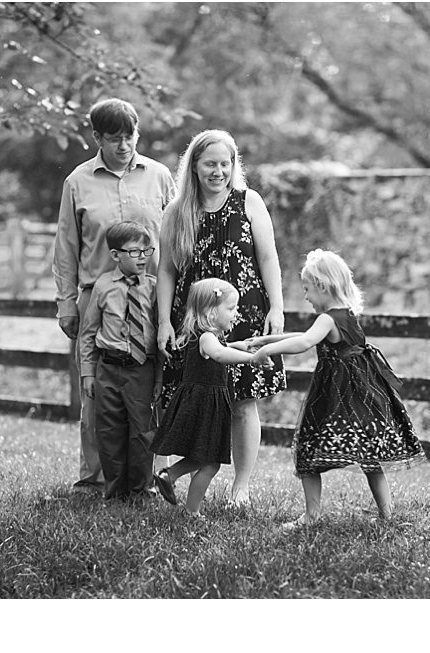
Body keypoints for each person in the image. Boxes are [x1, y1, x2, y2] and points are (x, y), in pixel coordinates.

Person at [247, 249, 425, 529]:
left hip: (337, 394)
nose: (305, 296)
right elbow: (309, 337)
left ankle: (311, 516)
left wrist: (267, 350)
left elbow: (305, 342)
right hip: (362, 394)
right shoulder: (347, 315)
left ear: (322, 285)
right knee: (369, 455)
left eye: (307, 289)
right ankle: (387, 514)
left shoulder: (328, 318)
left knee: (307, 450)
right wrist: (267, 339)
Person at [157, 129, 285, 509]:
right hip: (193, 324)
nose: (218, 171)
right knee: (194, 399)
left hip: (243, 318)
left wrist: (276, 307)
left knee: (244, 402)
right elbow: (166, 270)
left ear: (234, 166)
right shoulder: (176, 211)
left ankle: (240, 487)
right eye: (210, 164)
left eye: (225, 164)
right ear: (194, 166)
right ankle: (175, 472)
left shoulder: (249, 202)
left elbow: (268, 258)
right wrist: (165, 321)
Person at [53, 98, 175, 492]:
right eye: (114, 138)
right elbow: (66, 248)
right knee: (97, 394)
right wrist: (66, 303)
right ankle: (96, 479)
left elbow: (174, 240)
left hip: (151, 299)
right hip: (97, 299)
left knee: (151, 391)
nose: (124, 146)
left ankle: (147, 478)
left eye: (130, 136)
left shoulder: (158, 176)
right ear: (96, 137)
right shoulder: (78, 182)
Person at [149, 279, 265, 515]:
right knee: (210, 463)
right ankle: (192, 512)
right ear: (212, 313)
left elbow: (223, 346)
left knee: (203, 458)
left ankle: (169, 475)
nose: (236, 314)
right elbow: (220, 354)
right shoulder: (206, 339)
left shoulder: (206, 335)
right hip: (204, 406)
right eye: (231, 309)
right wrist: (252, 359)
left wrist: (242, 345)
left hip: (205, 404)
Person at [77, 221, 161, 501]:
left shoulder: (154, 288)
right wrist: (88, 374)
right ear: (115, 255)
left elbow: (162, 336)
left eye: (146, 251)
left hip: (141, 369)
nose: (142, 258)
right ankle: (114, 492)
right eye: (134, 252)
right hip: (108, 368)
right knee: (109, 431)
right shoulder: (103, 286)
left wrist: (160, 378)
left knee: (142, 432)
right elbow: (88, 334)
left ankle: (140, 491)